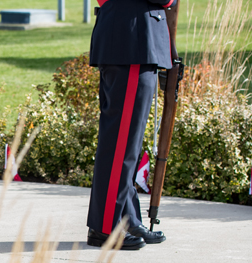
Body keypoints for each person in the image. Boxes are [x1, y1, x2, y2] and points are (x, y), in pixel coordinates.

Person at [87, 0, 173, 250]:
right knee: (121, 146)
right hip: (132, 43)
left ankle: (125, 219)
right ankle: (107, 227)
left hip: (126, 40)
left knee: (122, 145)